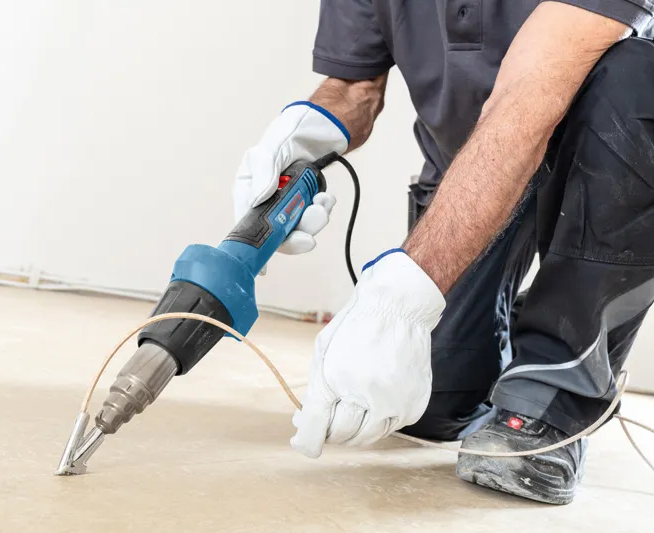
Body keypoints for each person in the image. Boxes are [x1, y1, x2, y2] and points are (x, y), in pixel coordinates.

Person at [232, 0, 654, 505]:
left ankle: (555, 392)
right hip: (467, 177)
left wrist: (403, 296)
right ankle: (528, 333)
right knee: (427, 403)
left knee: (641, 72)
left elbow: (533, 92)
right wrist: (306, 127)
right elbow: (354, 86)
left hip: (604, 158)